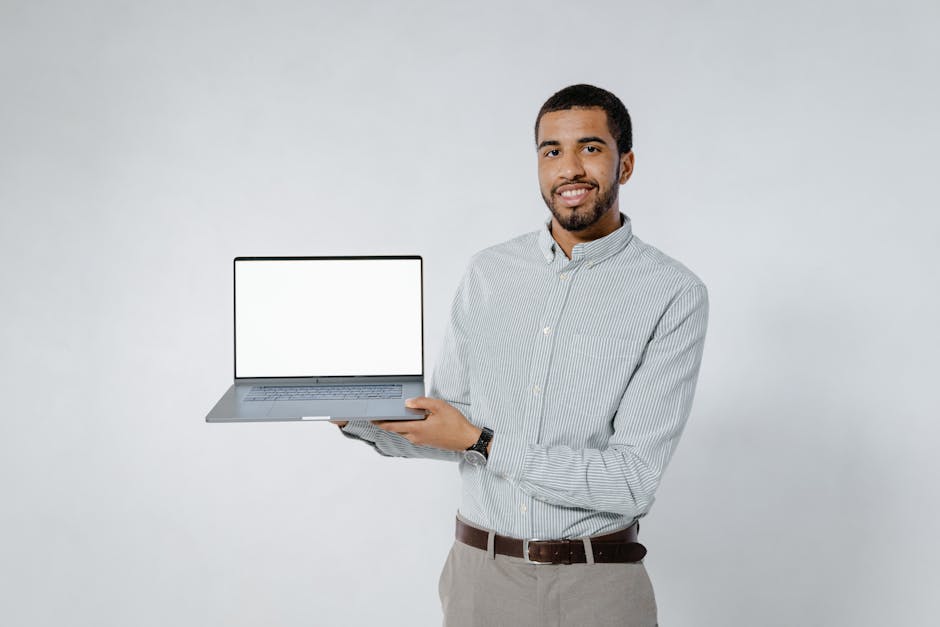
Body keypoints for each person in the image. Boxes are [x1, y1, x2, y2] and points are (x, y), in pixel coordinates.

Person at [336, 83, 709, 627]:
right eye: (551, 151)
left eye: (591, 147)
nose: (570, 168)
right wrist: (356, 411)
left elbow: (630, 480)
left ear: (624, 164)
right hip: (479, 583)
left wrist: (482, 442)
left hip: (598, 587)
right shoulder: (489, 273)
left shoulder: (672, 293)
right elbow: (451, 431)